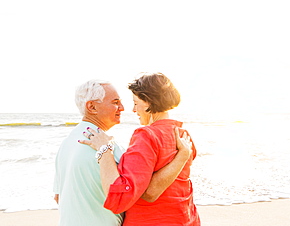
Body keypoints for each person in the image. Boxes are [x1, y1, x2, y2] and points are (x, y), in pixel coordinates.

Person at [54, 79, 192, 226]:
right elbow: (125, 196)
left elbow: (58, 197)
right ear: (92, 107)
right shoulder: (106, 147)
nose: (123, 108)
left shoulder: (66, 144)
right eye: (115, 102)